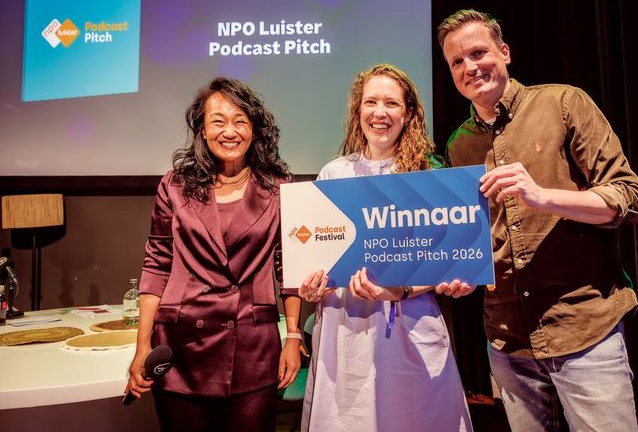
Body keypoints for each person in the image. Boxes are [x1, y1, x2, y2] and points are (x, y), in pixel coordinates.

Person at [437, 9, 638, 431]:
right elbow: (478, 239)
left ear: (505, 52)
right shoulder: (459, 145)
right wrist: (464, 274)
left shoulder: (564, 103)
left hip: (584, 330)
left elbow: (629, 196)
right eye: (457, 62)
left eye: (478, 53)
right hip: (508, 341)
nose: (470, 67)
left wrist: (542, 196)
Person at [298, 63, 473, 432]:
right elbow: (320, 261)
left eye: (391, 103)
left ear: (407, 114)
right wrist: (314, 287)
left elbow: (447, 260)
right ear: (357, 110)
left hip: (409, 327)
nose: (380, 113)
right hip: (345, 328)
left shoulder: (429, 175)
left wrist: (400, 289)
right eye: (371, 102)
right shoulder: (334, 174)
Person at [125, 77, 302, 432]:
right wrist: (142, 344)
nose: (229, 131)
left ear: (254, 129)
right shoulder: (174, 185)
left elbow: (289, 268)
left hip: (252, 348)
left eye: (240, 121)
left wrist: (294, 337)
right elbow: (157, 264)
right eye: (218, 121)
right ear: (203, 130)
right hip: (181, 347)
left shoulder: (279, 188)